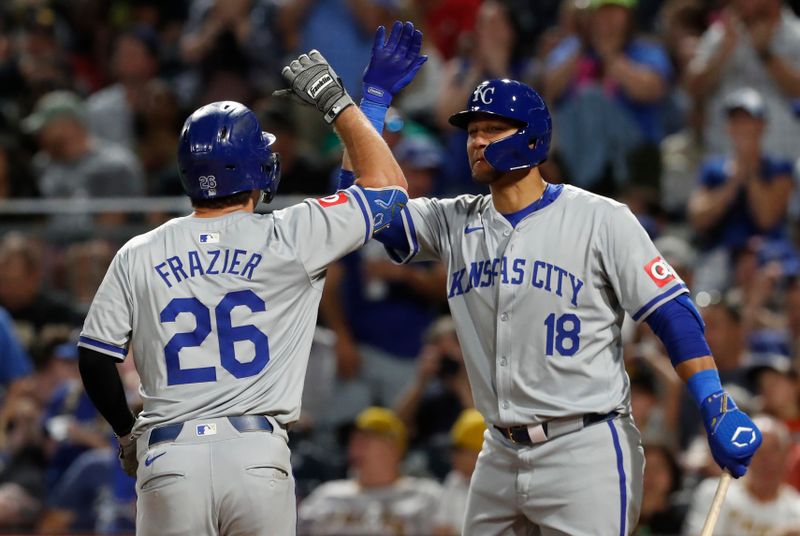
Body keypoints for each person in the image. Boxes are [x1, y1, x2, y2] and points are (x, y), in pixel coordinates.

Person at [370, 78, 762, 534]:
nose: (476, 141)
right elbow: (364, 210)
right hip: (497, 449)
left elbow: (672, 312)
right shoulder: (452, 220)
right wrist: (371, 107)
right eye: (472, 131)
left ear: (533, 137)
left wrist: (714, 402)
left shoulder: (600, 217)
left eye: (492, 129)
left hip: (584, 446)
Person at [76, 22, 419, 535]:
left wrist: (127, 434)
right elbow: (384, 190)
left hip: (169, 456)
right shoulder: (291, 234)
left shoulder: (139, 250)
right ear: (257, 168)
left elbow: (95, 357)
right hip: (257, 455)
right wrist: (354, 101)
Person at [296, 406, 443, 536]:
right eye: (353, 440)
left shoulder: (426, 497)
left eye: (365, 440)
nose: (355, 447)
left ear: (393, 448)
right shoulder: (326, 496)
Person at [683, 415, 800, 535]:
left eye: (773, 450)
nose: (766, 459)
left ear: (786, 456)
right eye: (757, 450)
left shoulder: (796, 510)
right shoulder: (714, 494)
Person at [433, 408, 486, 536]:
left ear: (478, 453)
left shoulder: (501, 482)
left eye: (459, 450)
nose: (453, 456)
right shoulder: (454, 479)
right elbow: (441, 529)